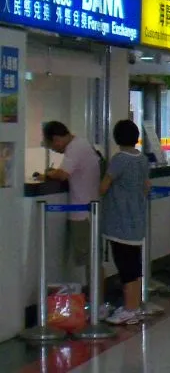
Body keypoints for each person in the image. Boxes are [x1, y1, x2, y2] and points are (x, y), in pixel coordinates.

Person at [100, 120, 151, 325]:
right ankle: (134, 306)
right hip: (136, 220)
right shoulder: (142, 159)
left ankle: (129, 309)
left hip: (119, 222)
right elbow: (146, 186)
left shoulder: (119, 159)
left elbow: (104, 187)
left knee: (125, 267)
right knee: (134, 266)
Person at [43, 121, 102, 288]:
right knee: (92, 259)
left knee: (90, 259)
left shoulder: (74, 148)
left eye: (52, 146)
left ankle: (95, 301)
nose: (55, 149)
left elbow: (62, 174)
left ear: (56, 139)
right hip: (90, 208)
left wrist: (48, 174)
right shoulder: (82, 143)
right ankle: (95, 299)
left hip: (82, 211)